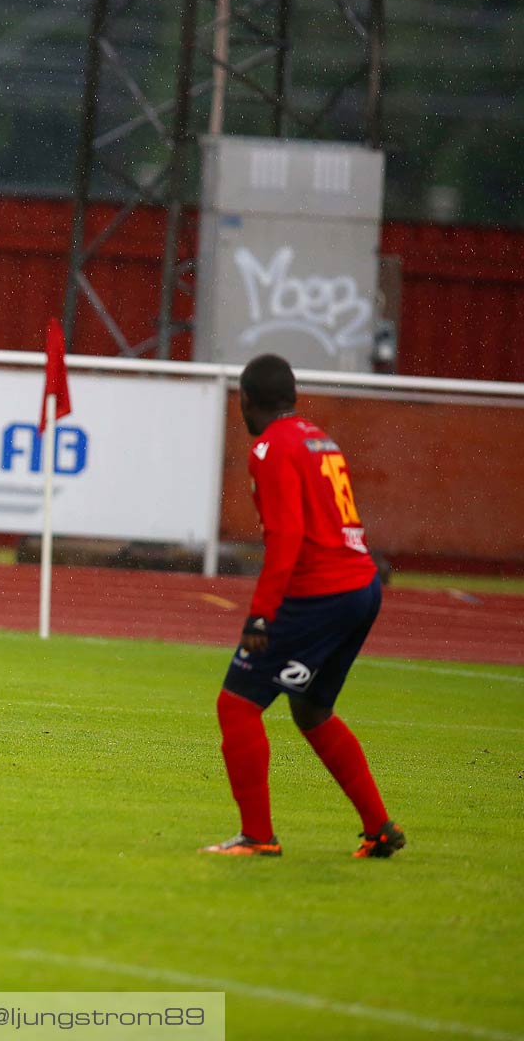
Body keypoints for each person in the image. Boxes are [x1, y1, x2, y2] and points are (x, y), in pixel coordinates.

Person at [203, 353, 405, 859]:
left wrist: (260, 614)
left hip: (323, 592)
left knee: (237, 704)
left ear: (246, 400)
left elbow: (287, 536)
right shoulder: (319, 439)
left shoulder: (270, 448)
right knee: (313, 710)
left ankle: (257, 836)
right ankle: (378, 827)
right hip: (361, 588)